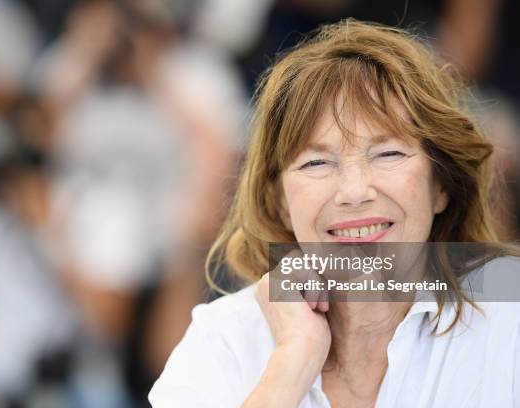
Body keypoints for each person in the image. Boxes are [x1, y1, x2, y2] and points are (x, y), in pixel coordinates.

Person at [148, 19, 520, 407]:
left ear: (440, 185)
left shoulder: (509, 313)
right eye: (316, 163)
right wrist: (292, 360)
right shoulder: (225, 338)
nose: (354, 192)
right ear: (279, 203)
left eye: (388, 153)